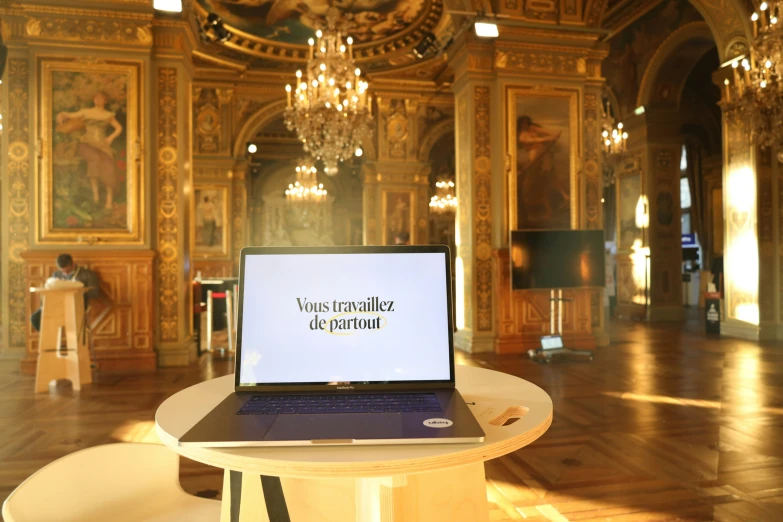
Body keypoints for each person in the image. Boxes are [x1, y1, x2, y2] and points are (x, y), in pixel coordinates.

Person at [56, 92, 123, 210]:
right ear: (93, 99)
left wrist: (110, 138)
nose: (98, 99)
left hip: (102, 145)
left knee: (109, 164)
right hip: (86, 143)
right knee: (95, 158)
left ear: (105, 100)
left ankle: (109, 200)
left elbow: (119, 128)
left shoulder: (108, 115)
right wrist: (62, 114)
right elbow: (71, 115)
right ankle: (95, 196)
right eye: (96, 97)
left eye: (101, 98)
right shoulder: (86, 112)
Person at [30, 254, 102, 332]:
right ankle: (52, 340)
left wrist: (78, 290)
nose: (66, 274)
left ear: (73, 264)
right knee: (35, 318)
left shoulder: (88, 274)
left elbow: (95, 293)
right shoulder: (56, 274)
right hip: (56, 305)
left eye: (68, 271)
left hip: (76, 306)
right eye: (62, 271)